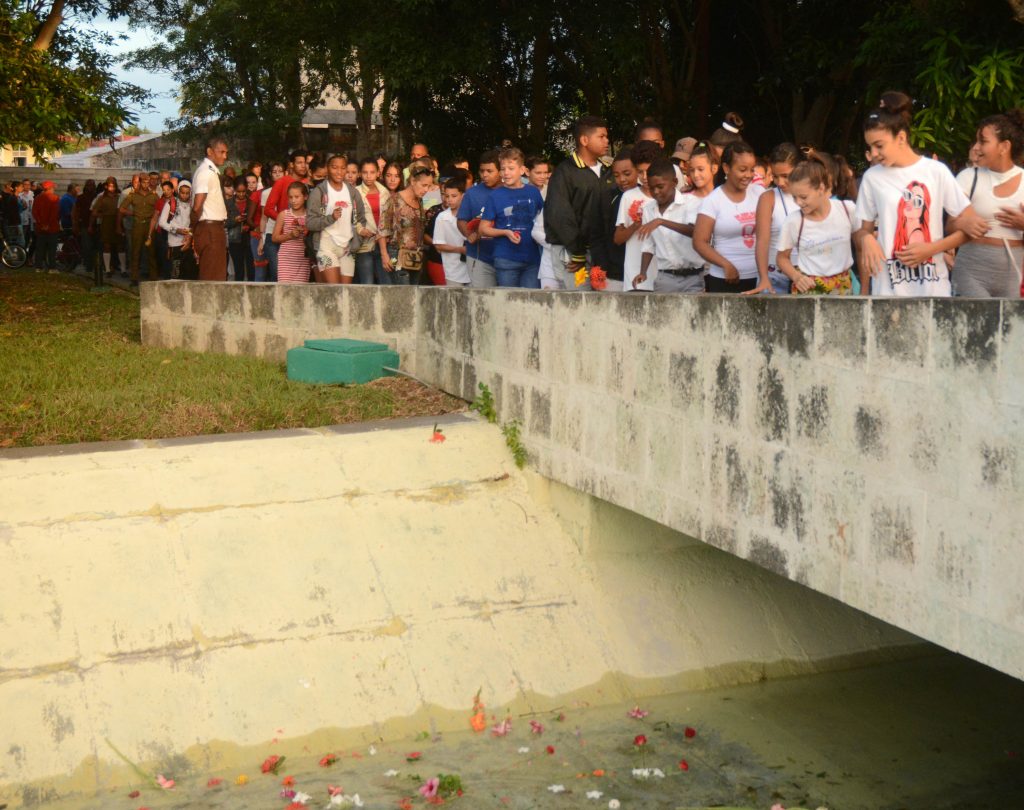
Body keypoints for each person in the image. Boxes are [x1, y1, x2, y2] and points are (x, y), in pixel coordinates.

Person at [854, 91, 984, 296]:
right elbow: (863, 230)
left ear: (901, 137)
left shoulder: (936, 171)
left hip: (933, 288)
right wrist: (866, 239)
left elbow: (972, 227)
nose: (875, 153)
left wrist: (931, 249)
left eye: (879, 145)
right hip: (887, 290)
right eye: (870, 146)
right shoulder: (872, 177)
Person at [952, 109, 1024, 297]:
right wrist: (962, 223)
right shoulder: (968, 177)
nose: (976, 147)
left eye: (983, 141)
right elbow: (948, 225)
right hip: (970, 274)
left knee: (1008, 327)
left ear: (1004, 147)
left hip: (1013, 277)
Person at [544, 115, 613, 290]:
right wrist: (577, 251)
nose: (607, 140)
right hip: (573, 255)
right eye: (601, 136)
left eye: (606, 136)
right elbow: (559, 214)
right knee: (579, 306)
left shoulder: (608, 171)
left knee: (600, 308)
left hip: (601, 253)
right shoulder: (564, 172)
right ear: (584, 140)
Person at [775, 157, 860, 295]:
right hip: (809, 288)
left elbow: (861, 249)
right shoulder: (794, 221)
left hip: (844, 286)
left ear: (821, 188)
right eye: (794, 197)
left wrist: (864, 289)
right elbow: (781, 258)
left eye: (803, 197)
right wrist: (796, 277)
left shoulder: (847, 209)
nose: (798, 203)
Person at [693, 141, 765, 293]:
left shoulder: (760, 193)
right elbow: (699, 242)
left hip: (760, 278)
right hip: (725, 279)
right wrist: (725, 265)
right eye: (743, 170)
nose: (748, 175)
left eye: (752, 170)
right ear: (726, 168)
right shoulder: (713, 201)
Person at [631, 158, 705, 293]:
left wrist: (662, 222)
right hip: (665, 277)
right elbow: (648, 245)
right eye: (652, 188)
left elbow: (695, 232)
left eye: (660, 187)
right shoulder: (648, 209)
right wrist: (643, 272)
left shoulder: (691, 203)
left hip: (693, 277)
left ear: (674, 182)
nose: (656, 192)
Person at [480, 147, 544, 288]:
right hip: (506, 258)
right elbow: (483, 229)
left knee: (531, 303)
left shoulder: (534, 192)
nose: (506, 173)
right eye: (503, 169)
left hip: (532, 259)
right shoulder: (495, 195)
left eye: (511, 168)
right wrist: (505, 232)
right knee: (509, 304)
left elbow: (543, 220)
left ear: (522, 170)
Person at [306, 154, 370, 285]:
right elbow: (310, 223)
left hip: (347, 248)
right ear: (327, 168)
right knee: (334, 290)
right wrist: (331, 218)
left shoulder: (353, 192)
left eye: (342, 168)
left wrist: (360, 234)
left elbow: (361, 219)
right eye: (335, 167)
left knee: (345, 292)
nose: (339, 172)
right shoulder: (319, 192)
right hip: (326, 246)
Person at [754, 142, 803, 295]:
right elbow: (762, 241)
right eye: (775, 176)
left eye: (785, 176)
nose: (780, 182)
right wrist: (763, 277)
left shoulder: (813, 196)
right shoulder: (768, 198)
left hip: (806, 277)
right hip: (775, 276)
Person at [614, 140, 661, 292]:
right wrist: (636, 225)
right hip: (635, 276)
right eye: (640, 172)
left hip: (663, 275)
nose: (645, 177)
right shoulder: (629, 197)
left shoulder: (668, 197)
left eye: (649, 171)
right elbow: (618, 238)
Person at [378, 164, 432, 285]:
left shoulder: (420, 201)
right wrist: (384, 255)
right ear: (412, 181)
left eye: (429, 186)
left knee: (413, 295)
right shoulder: (395, 200)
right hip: (397, 254)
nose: (426, 190)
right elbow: (382, 229)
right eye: (424, 185)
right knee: (403, 296)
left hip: (416, 257)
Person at [457, 150, 502, 288]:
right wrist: (468, 234)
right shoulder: (472, 193)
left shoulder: (510, 190)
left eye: (490, 171)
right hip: (479, 257)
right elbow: (461, 220)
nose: (485, 175)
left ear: (500, 171)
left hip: (507, 257)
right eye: (482, 171)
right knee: (483, 300)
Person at [191, 136, 230, 281]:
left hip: (213, 228)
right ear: (210, 151)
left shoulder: (209, 171)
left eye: (226, 153)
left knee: (216, 274)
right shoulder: (206, 172)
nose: (225, 156)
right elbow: (197, 207)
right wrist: (192, 230)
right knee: (212, 278)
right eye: (222, 152)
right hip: (209, 228)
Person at [354, 157, 390, 284]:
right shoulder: (355, 192)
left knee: (386, 283)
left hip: (383, 244)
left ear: (378, 173)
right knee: (367, 284)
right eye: (365, 172)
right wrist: (360, 229)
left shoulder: (385, 192)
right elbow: (350, 216)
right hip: (364, 245)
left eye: (372, 172)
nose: (368, 176)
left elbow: (387, 219)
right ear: (360, 173)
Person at [118, 173, 158, 285]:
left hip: (149, 225)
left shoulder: (154, 195)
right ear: (139, 182)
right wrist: (132, 213)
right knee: (135, 251)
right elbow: (121, 209)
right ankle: (134, 278)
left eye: (147, 182)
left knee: (151, 251)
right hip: (137, 225)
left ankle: (153, 277)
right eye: (143, 182)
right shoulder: (132, 195)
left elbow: (159, 208)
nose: (146, 184)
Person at [432, 175, 470, 287]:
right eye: (447, 196)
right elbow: (438, 245)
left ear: (463, 196)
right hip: (452, 270)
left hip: (472, 270)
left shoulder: (471, 214)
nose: (449, 199)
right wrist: (461, 250)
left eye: (454, 196)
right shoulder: (442, 217)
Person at [272, 182, 313, 284]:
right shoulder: (283, 215)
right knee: (284, 290)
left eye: (297, 197)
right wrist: (290, 235)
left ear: (305, 197)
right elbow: (274, 238)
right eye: (290, 197)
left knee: (301, 291)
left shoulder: (310, 216)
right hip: (286, 258)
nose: (293, 200)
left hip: (303, 258)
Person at [159, 180, 196, 280]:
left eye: (187, 193)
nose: (184, 195)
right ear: (178, 191)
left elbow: (195, 223)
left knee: (189, 273)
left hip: (188, 243)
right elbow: (161, 222)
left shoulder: (193, 205)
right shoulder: (171, 204)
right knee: (175, 273)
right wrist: (176, 230)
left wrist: (190, 234)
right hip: (174, 244)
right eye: (182, 192)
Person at [257, 162, 285, 281]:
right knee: (275, 271)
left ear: (286, 173)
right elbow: (264, 217)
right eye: (274, 172)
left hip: (286, 235)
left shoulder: (291, 190)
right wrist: (262, 239)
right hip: (270, 234)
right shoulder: (266, 193)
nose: (278, 174)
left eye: (280, 171)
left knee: (285, 272)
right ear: (270, 175)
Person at [89, 177, 122, 277]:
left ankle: (123, 268)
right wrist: (100, 216)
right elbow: (93, 211)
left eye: (113, 185)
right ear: (106, 186)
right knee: (106, 246)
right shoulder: (101, 197)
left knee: (120, 245)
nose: (111, 188)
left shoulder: (120, 196)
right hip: (106, 222)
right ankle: (107, 269)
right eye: (109, 185)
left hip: (118, 221)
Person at [31, 181, 61, 270]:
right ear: (51, 188)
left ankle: (38, 267)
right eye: (53, 187)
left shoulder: (37, 198)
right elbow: (55, 214)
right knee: (52, 249)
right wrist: (48, 224)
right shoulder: (55, 198)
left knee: (40, 248)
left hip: (40, 228)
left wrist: (41, 223)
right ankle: (52, 267)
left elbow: (34, 212)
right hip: (52, 227)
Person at [226, 177, 251, 281]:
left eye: (243, 191)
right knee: (238, 268)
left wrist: (249, 225)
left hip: (250, 237)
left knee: (251, 266)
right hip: (234, 239)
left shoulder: (251, 201)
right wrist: (235, 220)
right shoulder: (228, 203)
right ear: (234, 189)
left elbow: (257, 219)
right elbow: (223, 223)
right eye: (239, 191)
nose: (241, 194)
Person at [71, 180, 95, 273]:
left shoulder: (97, 197)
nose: (90, 187)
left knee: (95, 246)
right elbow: (75, 211)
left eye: (92, 185)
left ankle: (95, 264)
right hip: (84, 224)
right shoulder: (80, 198)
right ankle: (88, 264)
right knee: (86, 246)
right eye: (88, 185)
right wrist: (75, 224)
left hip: (96, 225)